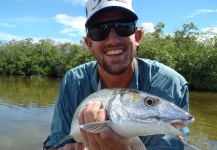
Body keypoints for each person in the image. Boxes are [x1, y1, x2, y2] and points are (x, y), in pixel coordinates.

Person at [43, 0, 190, 149]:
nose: (113, 40)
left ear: (137, 37)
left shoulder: (171, 85)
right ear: (89, 44)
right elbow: (56, 141)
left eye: (124, 27)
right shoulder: (72, 81)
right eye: (99, 30)